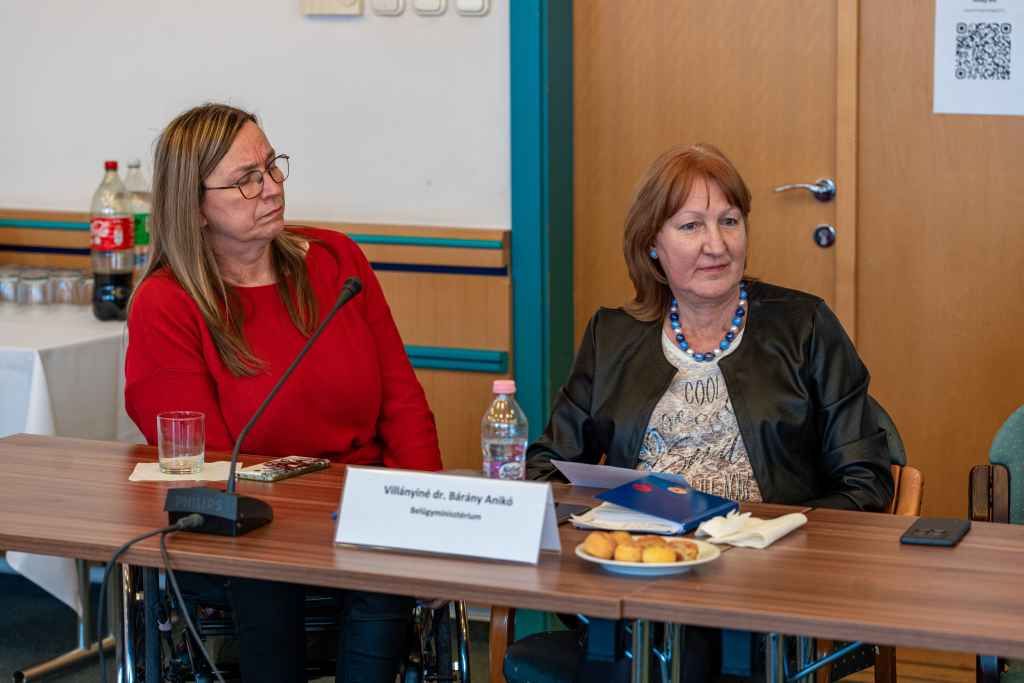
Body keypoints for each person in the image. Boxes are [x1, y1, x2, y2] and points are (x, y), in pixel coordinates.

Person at [520, 143, 894, 681]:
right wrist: (605, 529)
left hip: (767, 593)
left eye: (729, 221)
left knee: (671, 661)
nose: (716, 245)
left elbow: (865, 480)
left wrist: (769, 535)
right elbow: (547, 468)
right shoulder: (612, 335)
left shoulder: (805, 326)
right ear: (652, 244)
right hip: (639, 583)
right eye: (691, 226)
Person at [125, 102, 443, 683]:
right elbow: (205, 462)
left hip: (358, 507)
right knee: (264, 568)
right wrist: (299, 520)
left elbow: (402, 403)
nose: (272, 187)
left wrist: (424, 508)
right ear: (193, 207)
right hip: (251, 523)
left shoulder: (336, 260)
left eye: (273, 166)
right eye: (246, 180)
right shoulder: (167, 303)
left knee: (389, 561)